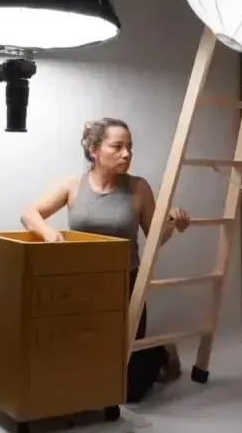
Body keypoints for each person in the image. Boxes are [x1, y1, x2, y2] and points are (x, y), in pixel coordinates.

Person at [20, 117, 190, 398]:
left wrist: (172, 222)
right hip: (80, 286)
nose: (126, 154)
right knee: (85, 369)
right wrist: (49, 234)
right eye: (117, 146)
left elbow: (156, 237)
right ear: (94, 150)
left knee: (128, 391)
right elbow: (29, 214)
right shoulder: (74, 185)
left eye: (130, 147)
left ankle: (161, 352)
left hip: (126, 285)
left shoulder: (138, 188)